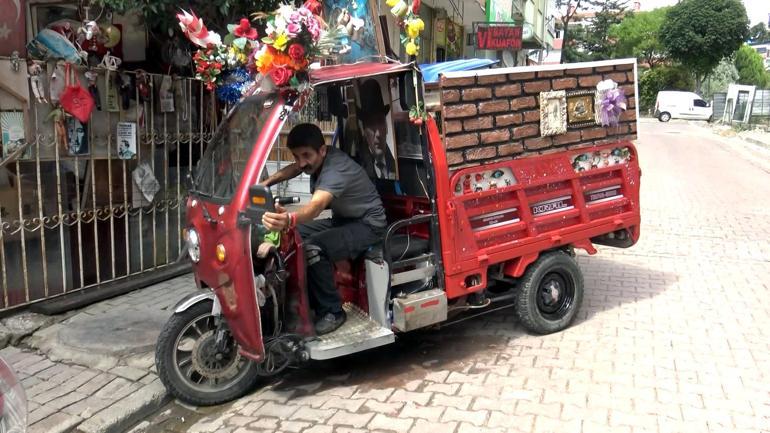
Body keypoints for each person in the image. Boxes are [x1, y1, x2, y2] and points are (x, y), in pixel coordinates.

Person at [260, 123, 387, 335]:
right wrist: (266, 183)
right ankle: (300, 300)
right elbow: (294, 168)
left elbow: (316, 207)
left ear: (322, 150)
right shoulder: (318, 159)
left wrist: (289, 218)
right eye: (296, 156)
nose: (301, 162)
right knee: (293, 236)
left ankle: (333, 311)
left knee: (312, 249)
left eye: (306, 155)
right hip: (344, 220)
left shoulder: (335, 169)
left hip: (368, 225)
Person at [355, 79, 397, 180]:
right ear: (364, 130)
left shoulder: (396, 165)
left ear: (386, 127)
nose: (378, 133)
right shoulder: (357, 169)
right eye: (371, 124)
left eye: (380, 122)